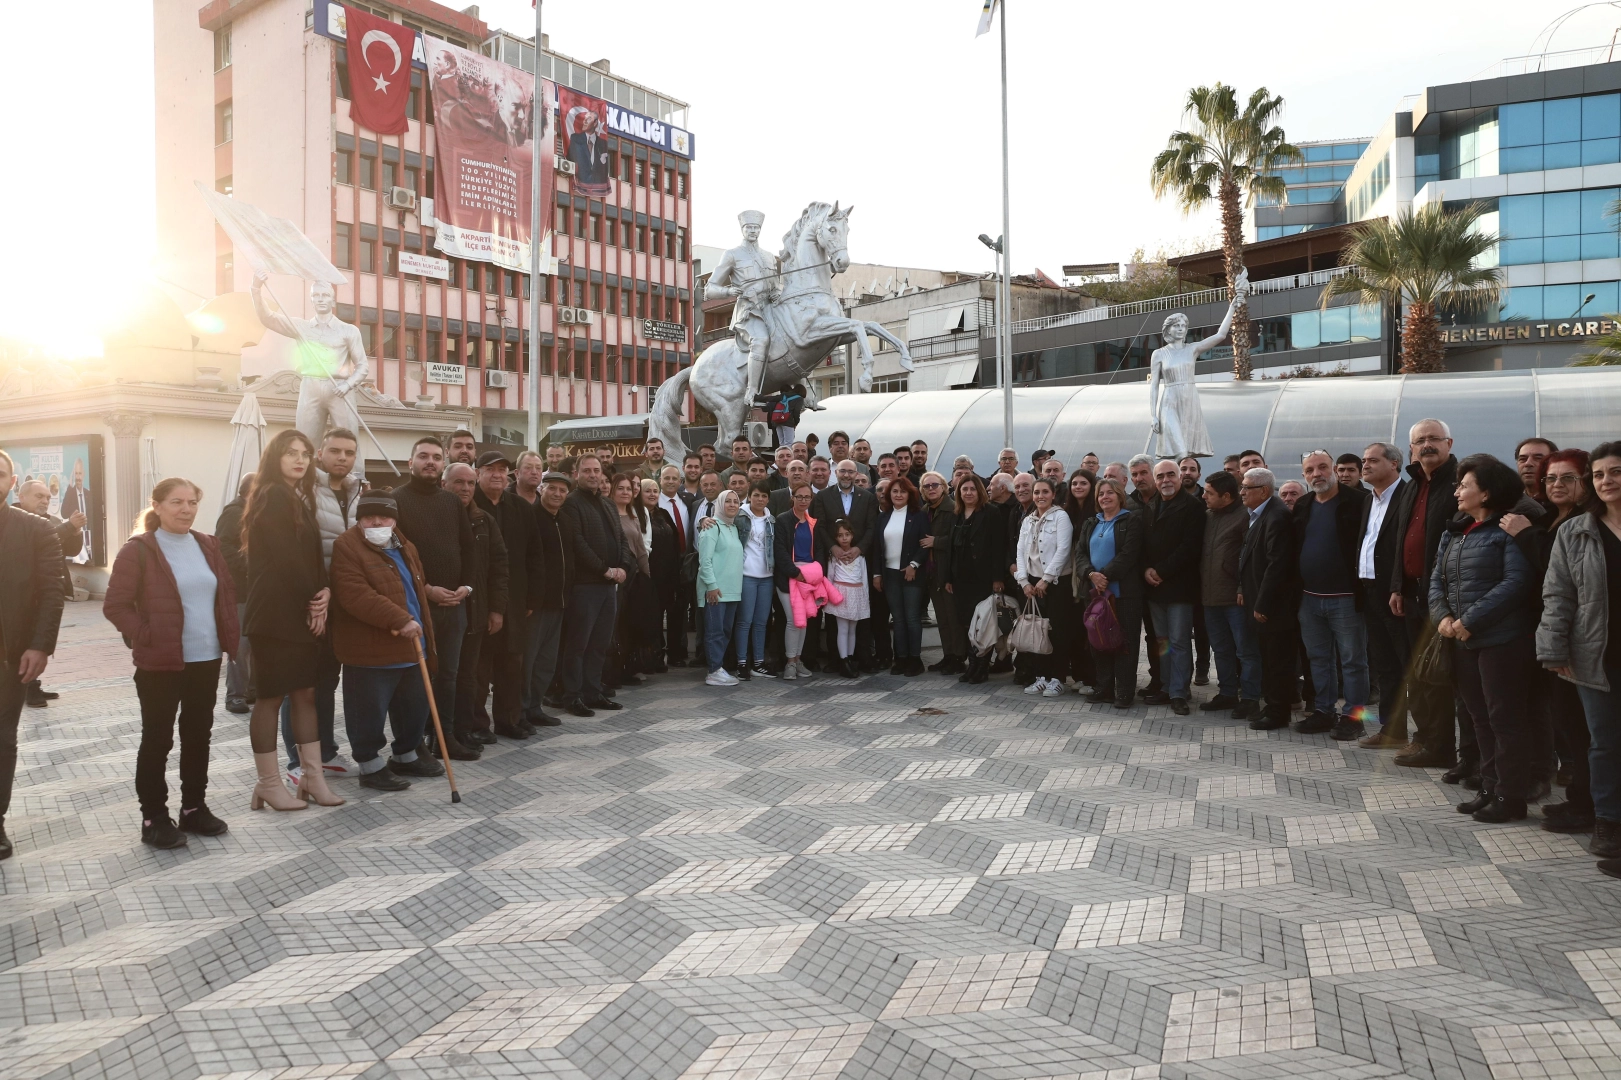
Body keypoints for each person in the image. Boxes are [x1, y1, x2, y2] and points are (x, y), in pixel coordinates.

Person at [103, 478, 238, 848]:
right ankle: (154, 818)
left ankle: (193, 809)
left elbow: (223, 595)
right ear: (158, 506)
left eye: (192, 502)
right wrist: (145, 635)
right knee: (157, 739)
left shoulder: (208, 545)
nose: (186, 509)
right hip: (160, 663)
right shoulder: (140, 550)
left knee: (198, 736)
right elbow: (115, 605)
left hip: (206, 659)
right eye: (177, 502)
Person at [240, 430, 342, 811]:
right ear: (274, 458)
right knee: (269, 699)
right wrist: (314, 603)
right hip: (275, 615)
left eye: (304, 454)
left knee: (305, 694)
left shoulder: (298, 496)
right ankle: (268, 783)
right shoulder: (273, 495)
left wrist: (325, 592)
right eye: (290, 454)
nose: (299, 460)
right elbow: (286, 559)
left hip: (299, 609)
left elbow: (312, 558)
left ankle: (312, 779)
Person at [1430, 455, 1535, 822]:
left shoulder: (1506, 530)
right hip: (1463, 640)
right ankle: (1488, 787)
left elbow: (1517, 582)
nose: (1457, 491)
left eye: (1465, 485)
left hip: (1501, 640)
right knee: (1479, 718)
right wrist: (1442, 616)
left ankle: (1511, 796)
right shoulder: (1455, 532)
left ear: (1486, 492)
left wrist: (1470, 620)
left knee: (1504, 719)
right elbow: (1436, 581)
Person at [1539, 441, 1621, 873]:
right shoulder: (1576, 531)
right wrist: (1552, 648)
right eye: (1601, 474)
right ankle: (1607, 821)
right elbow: (1558, 593)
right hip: (1596, 656)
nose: (1607, 481)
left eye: (1616, 472)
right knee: (1604, 744)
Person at [328, 492, 445, 791]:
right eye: (369, 517)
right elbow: (355, 593)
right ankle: (370, 767)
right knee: (368, 710)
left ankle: (406, 756)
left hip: (411, 645)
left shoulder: (406, 546)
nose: (377, 522)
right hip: (371, 648)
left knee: (414, 707)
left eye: (384, 516)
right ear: (359, 519)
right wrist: (399, 619)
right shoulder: (347, 545)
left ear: (394, 519)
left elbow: (415, 591)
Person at [279, 428, 363, 785]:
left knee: (327, 679)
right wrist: (317, 591)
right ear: (320, 454)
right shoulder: (303, 491)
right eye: (335, 451)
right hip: (311, 598)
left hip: (344, 601)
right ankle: (297, 758)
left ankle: (324, 751)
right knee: (299, 682)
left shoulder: (360, 491)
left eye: (349, 452)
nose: (342, 457)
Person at [1518, 450, 1593, 832]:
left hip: (1579, 638)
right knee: (1566, 720)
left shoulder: (1586, 523)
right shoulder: (1551, 518)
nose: (1557, 485)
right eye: (1551, 479)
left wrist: (1525, 535)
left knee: (1582, 726)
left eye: (1568, 478)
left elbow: (1557, 575)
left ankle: (1589, 806)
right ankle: (1580, 798)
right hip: (1549, 631)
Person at [0, 450, 65, 859]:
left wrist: (40, 645)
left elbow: (52, 592)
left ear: (11, 482)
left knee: (2, 738)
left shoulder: (35, 529)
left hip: (9, 657)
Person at [391, 437, 474, 753]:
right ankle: (414, 742)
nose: (430, 461)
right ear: (410, 462)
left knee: (448, 675)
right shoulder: (396, 501)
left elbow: (468, 549)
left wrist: (466, 586)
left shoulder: (452, 502)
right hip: (415, 604)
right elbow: (393, 558)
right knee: (415, 676)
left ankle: (444, 737)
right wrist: (425, 589)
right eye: (423, 456)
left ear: (443, 464)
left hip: (454, 603)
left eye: (436, 457)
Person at [1388, 419, 1461, 771]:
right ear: (1412, 447)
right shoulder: (1412, 485)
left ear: (1449, 443)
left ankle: (1442, 746)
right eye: (1420, 441)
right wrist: (1397, 586)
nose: (1427, 445)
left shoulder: (1461, 482)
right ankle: (1424, 739)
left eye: (1434, 439)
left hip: (1443, 599)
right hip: (1410, 595)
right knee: (1415, 671)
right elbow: (1401, 538)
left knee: (1437, 675)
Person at [1292, 450, 1371, 740]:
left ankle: (1354, 717)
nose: (1317, 474)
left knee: (1353, 660)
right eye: (1310, 470)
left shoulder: (1358, 502)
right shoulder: (1303, 504)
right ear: (1304, 475)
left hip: (1347, 598)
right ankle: (1324, 712)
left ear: (1334, 469)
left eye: (1323, 467)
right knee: (1318, 658)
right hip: (1309, 598)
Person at [474, 452, 543, 736]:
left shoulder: (520, 508)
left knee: (511, 664)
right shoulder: (467, 504)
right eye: (490, 469)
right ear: (478, 473)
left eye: (502, 470)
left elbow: (534, 555)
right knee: (478, 667)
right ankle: (477, 725)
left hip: (515, 600)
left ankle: (509, 720)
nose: (497, 475)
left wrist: (531, 599)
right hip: (478, 599)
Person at [558, 455, 631, 716]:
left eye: (596, 471)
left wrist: (623, 566)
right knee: (578, 644)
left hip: (608, 587)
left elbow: (621, 538)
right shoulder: (571, 504)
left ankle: (592, 691)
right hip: (585, 586)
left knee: (600, 643)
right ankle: (573, 696)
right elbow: (577, 543)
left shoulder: (609, 505)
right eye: (586, 470)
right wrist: (605, 570)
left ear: (602, 475)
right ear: (576, 474)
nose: (592, 475)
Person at [443, 463, 501, 754]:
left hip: (476, 611)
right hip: (443, 611)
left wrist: (496, 609)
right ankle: (442, 733)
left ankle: (464, 731)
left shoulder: (484, 520)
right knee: (446, 676)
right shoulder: (436, 516)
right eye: (458, 482)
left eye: (469, 483)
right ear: (445, 484)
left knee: (468, 676)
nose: (465, 488)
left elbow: (498, 567)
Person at [1355, 443, 1410, 749]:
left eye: (1372, 460)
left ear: (1394, 464)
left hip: (1395, 593)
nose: (1365, 465)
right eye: (1364, 460)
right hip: (1369, 591)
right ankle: (1392, 730)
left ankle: (1427, 735)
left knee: (1406, 663)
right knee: (1385, 664)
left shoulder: (1407, 497)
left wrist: (1398, 586)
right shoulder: (1368, 500)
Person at [1075, 476, 1146, 708]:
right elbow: (1080, 554)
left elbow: (1129, 554)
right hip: (1096, 594)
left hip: (1123, 594)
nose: (1104, 497)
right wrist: (1090, 575)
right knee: (1099, 640)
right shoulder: (1090, 523)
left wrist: (1104, 575)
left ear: (1120, 496)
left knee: (1124, 642)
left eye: (1110, 493)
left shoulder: (1131, 520)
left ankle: (1124, 691)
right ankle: (1103, 687)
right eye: (1101, 493)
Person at [12, 479, 84, 708]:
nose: (44, 501)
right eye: (39, 496)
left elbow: (71, 550)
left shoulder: (48, 521)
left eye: (47, 497)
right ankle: (27, 688)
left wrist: (76, 530)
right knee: (23, 642)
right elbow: (35, 543)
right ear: (22, 497)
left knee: (37, 639)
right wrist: (68, 527)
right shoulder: (12, 520)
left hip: (43, 596)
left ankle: (31, 685)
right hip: (20, 597)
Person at [1140, 460, 1204, 715]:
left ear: (1179, 477)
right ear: (1155, 480)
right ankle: (1167, 686)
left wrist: (1161, 571)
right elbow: (1142, 545)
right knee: (1162, 640)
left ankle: (1178, 692)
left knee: (1178, 641)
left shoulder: (1193, 507)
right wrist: (1146, 569)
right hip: (1155, 587)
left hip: (1179, 587)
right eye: (1160, 476)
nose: (1165, 480)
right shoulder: (1150, 506)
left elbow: (1190, 548)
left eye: (1170, 475)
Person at [1239, 468, 1300, 731]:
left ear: (1263, 491)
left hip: (1273, 606)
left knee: (1278, 661)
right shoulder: (1259, 514)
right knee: (1269, 657)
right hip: (1258, 599)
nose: (1241, 492)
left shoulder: (1276, 516)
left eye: (1246, 488)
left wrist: (1263, 603)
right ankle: (1272, 705)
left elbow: (1278, 565)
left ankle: (1278, 712)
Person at [1199, 470, 1259, 716]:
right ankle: (1227, 693)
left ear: (1226, 496)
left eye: (1209, 493)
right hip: (1210, 596)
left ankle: (1251, 697)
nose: (1204, 496)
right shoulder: (1209, 516)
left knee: (1245, 650)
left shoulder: (1244, 516)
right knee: (1221, 648)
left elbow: (1250, 557)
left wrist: (1242, 588)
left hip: (1235, 598)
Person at [1015, 477, 1075, 698]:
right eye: (1036, 492)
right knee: (1036, 630)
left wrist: (1047, 579)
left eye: (1044, 492)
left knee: (1057, 631)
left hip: (1057, 584)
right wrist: (1023, 581)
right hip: (1031, 583)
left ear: (1053, 494)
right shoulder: (1028, 520)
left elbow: (1063, 550)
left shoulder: (1061, 517)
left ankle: (1057, 678)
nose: (1040, 496)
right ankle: (1041, 676)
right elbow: (1020, 551)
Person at [947, 475, 1004, 684]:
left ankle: (982, 667)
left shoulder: (991, 513)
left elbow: (999, 546)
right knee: (966, 624)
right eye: (964, 489)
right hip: (960, 579)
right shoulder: (956, 514)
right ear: (959, 493)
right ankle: (972, 665)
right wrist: (948, 577)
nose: (968, 492)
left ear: (979, 491)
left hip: (983, 579)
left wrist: (998, 578)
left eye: (972, 489)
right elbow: (951, 550)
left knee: (983, 624)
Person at [524, 471, 571, 725]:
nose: (557, 494)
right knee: (528, 660)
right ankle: (519, 710)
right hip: (536, 605)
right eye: (552, 488)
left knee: (546, 662)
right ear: (541, 489)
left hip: (559, 603)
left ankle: (535, 707)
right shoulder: (530, 518)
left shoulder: (564, 520)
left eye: (562, 490)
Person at [773, 482, 828, 680]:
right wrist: (794, 573)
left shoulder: (813, 522)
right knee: (793, 620)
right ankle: (789, 662)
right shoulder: (783, 520)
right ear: (793, 498)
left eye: (807, 497)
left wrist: (816, 573)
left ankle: (798, 660)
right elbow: (779, 550)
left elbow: (820, 550)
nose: (803, 500)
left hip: (810, 577)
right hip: (790, 577)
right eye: (800, 497)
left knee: (803, 621)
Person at [874, 477, 929, 676]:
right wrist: (877, 574)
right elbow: (877, 548)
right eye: (895, 491)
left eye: (902, 491)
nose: (898, 495)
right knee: (897, 619)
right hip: (889, 574)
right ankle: (901, 658)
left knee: (912, 617)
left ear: (910, 494)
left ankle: (915, 659)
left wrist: (913, 565)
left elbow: (924, 544)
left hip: (911, 574)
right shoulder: (883, 517)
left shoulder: (919, 515)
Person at [720, 481, 773, 680]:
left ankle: (758, 663)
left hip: (767, 576)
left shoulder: (771, 519)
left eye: (764, 496)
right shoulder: (740, 516)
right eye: (756, 495)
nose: (760, 499)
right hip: (746, 575)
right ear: (750, 496)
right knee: (744, 621)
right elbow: (720, 521)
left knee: (761, 622)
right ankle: (742, 662)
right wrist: (703, 521)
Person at [608, 473, 656, 688]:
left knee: (630, 625)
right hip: (616, 578)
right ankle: (610, 673)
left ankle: (627, 668)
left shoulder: (633, 516)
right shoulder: (608, 516)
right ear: (612, 491)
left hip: (635, 578)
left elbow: (640, 550)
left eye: (629, 489)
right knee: (614, 626)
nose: (626, 492)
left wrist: (647, 578)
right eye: (621, 488)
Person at [917, 472, 966, 675]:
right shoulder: (924, 511)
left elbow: (960, 539)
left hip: (947, 572)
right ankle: (948, 656)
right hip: (931, 572)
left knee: (953, 618)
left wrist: (936, 541)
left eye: (934, 485)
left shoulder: (954, 509)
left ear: (944, 487)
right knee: (942, 618)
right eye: (926, 486)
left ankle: (958, 657)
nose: (931, 489)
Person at [216, 473, 255, 714]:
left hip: (255, 590)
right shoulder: (234, 513)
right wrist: (253, 564)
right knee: (240, 644)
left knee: (253, 642)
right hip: (240, 590)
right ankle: (236, 696)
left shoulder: (254, 513)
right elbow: (224, 548)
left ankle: (251, 690)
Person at [698, 490, 745, 686]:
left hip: (731, 591)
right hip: (715, 591)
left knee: (725, 631)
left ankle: (718, 667)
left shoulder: (732, 528)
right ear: (720, 504)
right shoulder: (711, 527)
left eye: (735, 501)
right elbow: (705, 560)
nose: (733, 505)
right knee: (714, 631)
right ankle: (713, 671)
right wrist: (711, 586)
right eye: (728, 501)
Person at [653, 468, 693, 668]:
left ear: (681, 481)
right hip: (661, 566)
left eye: (674, 478)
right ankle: (658, 653)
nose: (670, 481)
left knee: (679, 611)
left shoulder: (688, 502)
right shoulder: (653, 503)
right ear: (660, 480)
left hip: (684, 564)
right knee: (658, 611)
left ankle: (677, 652)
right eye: (666, 478)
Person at [822, 519, 871, 678]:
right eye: (840, 535)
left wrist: (864, 599)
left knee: (852, 629)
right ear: (835, 538)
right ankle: (843, 660)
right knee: (842, 629)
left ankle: (849, 658)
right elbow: (829, 578)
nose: (844, 538)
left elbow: (864, 578)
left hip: (856, 595)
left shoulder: (860, 557)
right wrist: (829, 597)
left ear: (852, 536)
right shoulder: (833, 557)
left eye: (847, 535)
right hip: (840, 595)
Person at [1515, 437, 1558, 504]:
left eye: (1538, 458)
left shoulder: (1562, 504)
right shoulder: (1506, 503)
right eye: (1523, 459)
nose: (1528, 463)